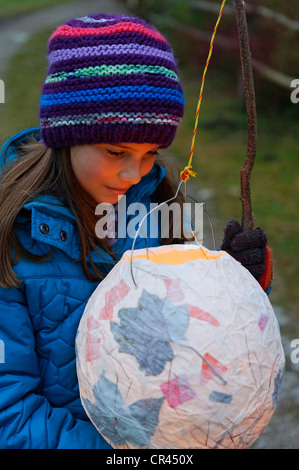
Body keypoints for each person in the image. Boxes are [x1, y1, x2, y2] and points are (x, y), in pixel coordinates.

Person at [0, 12, 273, 449]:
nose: (133, 172)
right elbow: (8, 414)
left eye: (150, 153)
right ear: (66, 134)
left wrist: (236, 289)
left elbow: (182, 335)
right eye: (115, 150)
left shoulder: (152, 207)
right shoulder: (11, 233)